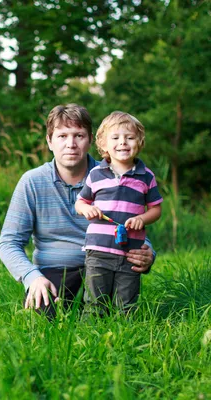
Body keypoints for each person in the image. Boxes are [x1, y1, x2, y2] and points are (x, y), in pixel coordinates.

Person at [0, 104, 155, 319]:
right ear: (49, 141)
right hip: (55, 270)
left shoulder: (113, 175)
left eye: (78, 135)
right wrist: (31, 276)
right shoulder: (32, 182)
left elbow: (131, 221)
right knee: (47, 316)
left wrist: (148, 252)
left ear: (91, 140)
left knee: (117, 317)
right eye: (62, 136)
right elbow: (8, 242)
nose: (70, 144)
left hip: (107, 263)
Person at [75, 111, 162, 314]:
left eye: (129, 137)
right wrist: (87, 209)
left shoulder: (146, 176)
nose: (123, 142)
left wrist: (142, 218)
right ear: (104, 145)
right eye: (115, 138)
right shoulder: (96, 174)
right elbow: (80, 202)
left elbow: (156, 209)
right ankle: (91, 336)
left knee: (126, 305)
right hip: (98, 251)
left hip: (130, 253)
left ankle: (124, 334)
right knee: (95, 302)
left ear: (139, 143)